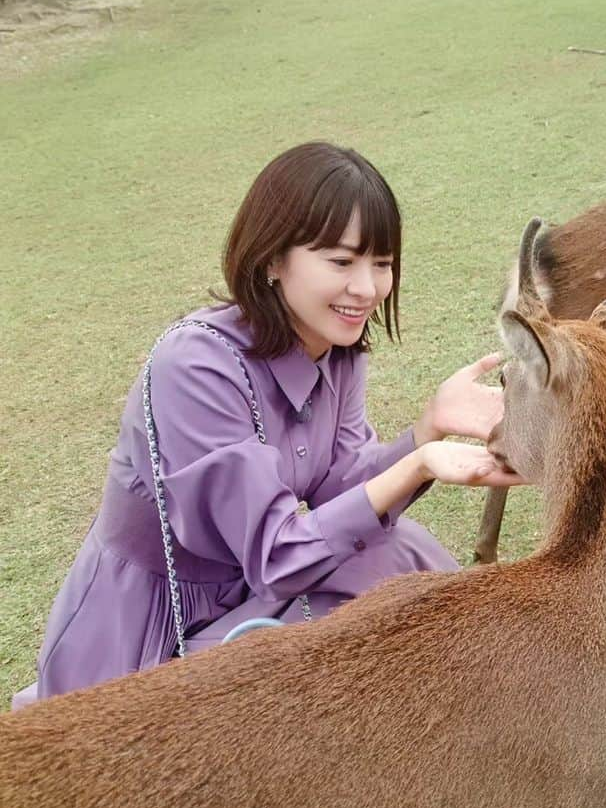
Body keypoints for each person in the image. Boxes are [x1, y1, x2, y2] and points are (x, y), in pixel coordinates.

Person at [13, 142, 522, 709]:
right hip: (153, 630)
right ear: (273, 259)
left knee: (401, 556)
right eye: (341, 261)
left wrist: (427, 428)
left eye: (381, 263)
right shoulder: (197, 367)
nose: (367, 288)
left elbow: (340, 485)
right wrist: (417, 464)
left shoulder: (337, 348)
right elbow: (278, 554)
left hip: (254, 590)